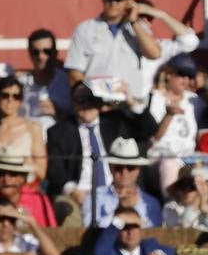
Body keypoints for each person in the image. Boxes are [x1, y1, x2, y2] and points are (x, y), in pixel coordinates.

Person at [45, 83, 152, 214]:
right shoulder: (58, 132)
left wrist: (131, 101)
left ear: (99, 102)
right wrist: (73, 191)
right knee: (68, 211)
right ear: (73, 104)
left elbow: (148, 129)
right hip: (80, 193)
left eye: (91, 100)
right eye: (80, 101)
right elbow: (55, 170)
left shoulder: (115, 123)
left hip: (116, 190)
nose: (86, 105)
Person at [65, 0, 162, 102]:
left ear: (128, 2)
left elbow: (154, 54)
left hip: (131, 103)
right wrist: (88, 99)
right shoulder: (85, 29)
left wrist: (133, 22)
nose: (113, 3)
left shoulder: (138, 28)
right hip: (98, 103)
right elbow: (75, 72)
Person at [0, 75, 48, 181]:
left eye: (16, 96)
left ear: (21, 101)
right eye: (5, 95)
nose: (10, 100)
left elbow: (41, 171)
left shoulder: (33, 128)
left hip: (24, 189)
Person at [0, 150, 56, 228]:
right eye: (1, 173)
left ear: (23, 177)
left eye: (13, 173)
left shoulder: (38, 199)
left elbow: (50, 233)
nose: (6, 180)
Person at [86, 137, 161, 228]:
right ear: (110, 167)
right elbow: (88, 228)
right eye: (119, 167)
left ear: (138, 169)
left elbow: (154, 234)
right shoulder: (95, 197)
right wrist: (120, 214)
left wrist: (123, 217)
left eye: (130, 167)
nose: (124, 172)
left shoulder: (151, 203)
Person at [18, 28, 72, 132]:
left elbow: (81, 119)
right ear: (29, 54)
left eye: (47, 51)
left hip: (60, 143)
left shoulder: (67, 82)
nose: (41, 56)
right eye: (35, 52)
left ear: (55, 53)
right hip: (28, 143)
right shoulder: (20, 84)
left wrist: (57, 112)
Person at [92, 206, 177, 255]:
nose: (130, 232)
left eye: (134, 226)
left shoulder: (148, 245)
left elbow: (174, 253)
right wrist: (119, 219)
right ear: (116, 231)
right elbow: (99, 252)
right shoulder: (111, 252)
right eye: (124, 227)